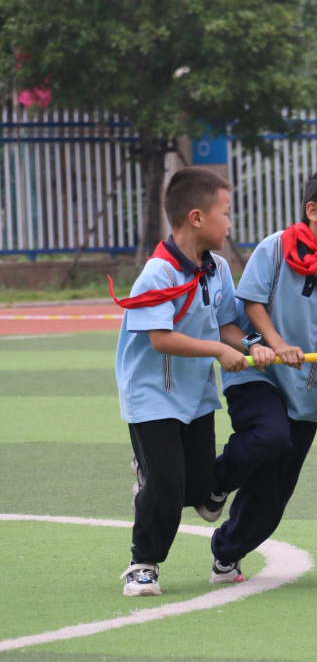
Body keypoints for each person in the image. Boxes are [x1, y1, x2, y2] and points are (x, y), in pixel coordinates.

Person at [206, 169, 317, 584]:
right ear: (313, 210)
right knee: (268, 435)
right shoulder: (276, 247)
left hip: (307, 391)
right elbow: (253, 300)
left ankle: (227, 552)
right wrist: (275, 344)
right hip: (257, 373)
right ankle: (215, 482)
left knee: (273, 495)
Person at [112, 167, 254, 596]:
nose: (230, 223)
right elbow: (160, 338)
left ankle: (161, 477)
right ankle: (144, 564)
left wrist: (253, 346)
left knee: (197, 487)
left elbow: (228, 326)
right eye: (225, 213)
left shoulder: (218, 269)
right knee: (167, 488)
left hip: (195, 395)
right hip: (151, 396)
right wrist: (219, 351)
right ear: (196, 217)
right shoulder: (158, 273)